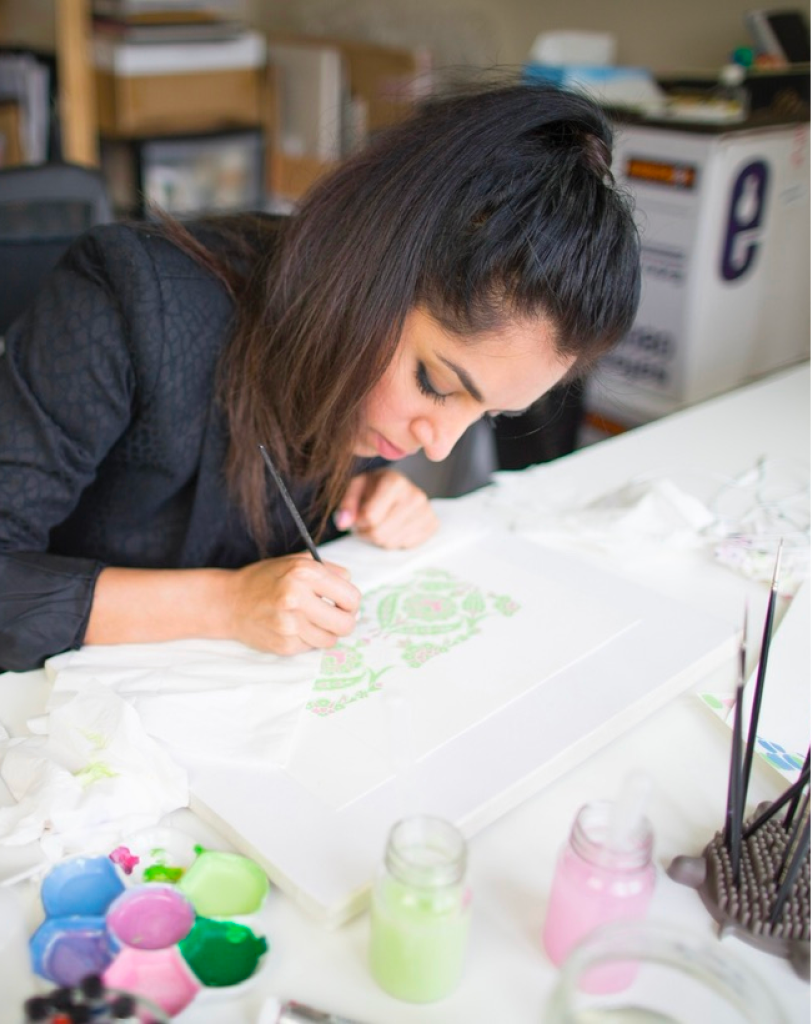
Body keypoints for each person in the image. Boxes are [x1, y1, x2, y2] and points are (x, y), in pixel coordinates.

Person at [0, 82, 640, 673]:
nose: (440, 445)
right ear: (366, 278)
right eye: (438, 385)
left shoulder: (356, 374)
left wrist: (367, 496)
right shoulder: (125, 300)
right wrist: (225, 604)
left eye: (487, 413)